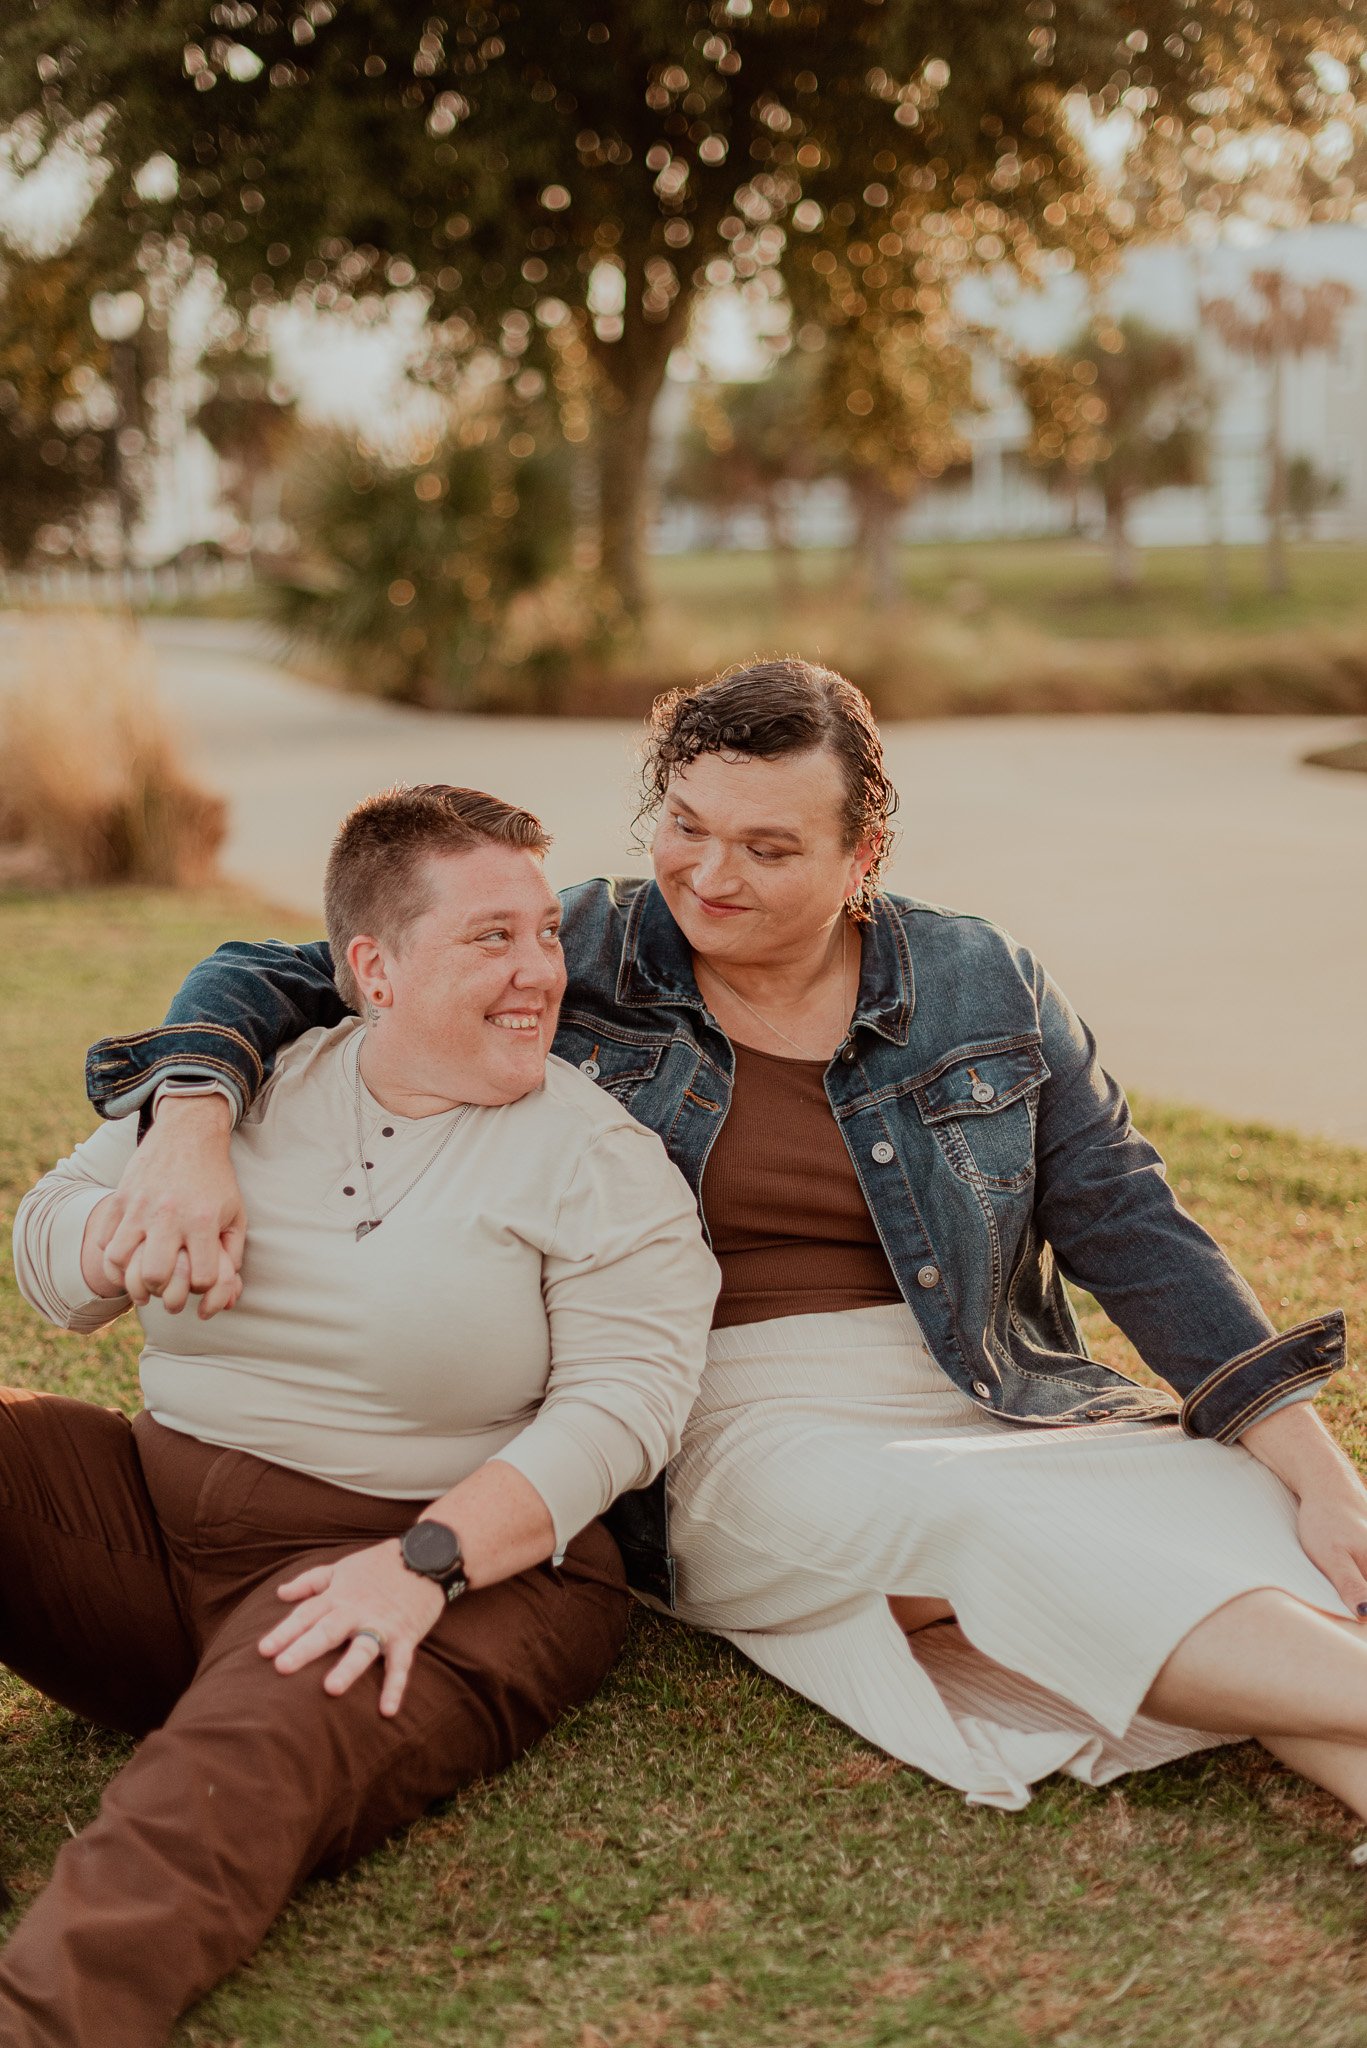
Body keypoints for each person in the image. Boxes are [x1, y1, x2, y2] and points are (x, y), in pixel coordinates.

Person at [77, 662, 1367, 1837]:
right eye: (684, 823)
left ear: (862, 855)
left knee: (1244, 1519)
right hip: (718, 1407)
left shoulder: (985, 984)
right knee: (994, 1531)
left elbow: (1128, 1220)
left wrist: (1310, 1470)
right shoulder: (574, 945)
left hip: (982, 1384)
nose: (709, 874)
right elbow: (272, 972)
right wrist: (187, 1121)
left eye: (766, 845)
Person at [3, 784, 718, 2048]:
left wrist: (422, 1563)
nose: (538, 973)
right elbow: (50, 1258)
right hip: (155, 1536)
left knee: (244, 1747)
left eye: (542, 934)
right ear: (372, 968)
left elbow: (629, 1403)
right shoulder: (235, 1085)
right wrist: (144, 1216)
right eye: (489, 938)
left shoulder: (595, 1158)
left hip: (443, 1562)